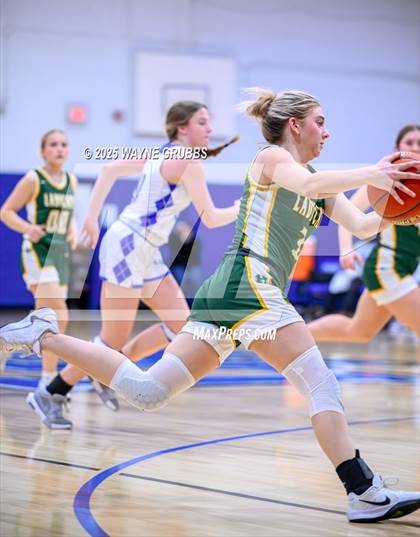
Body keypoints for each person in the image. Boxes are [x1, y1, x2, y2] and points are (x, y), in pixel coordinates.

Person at [1, 89, 419, 523]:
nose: (327, 132)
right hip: (250, 283)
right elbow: (309, 184)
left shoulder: (319, 183)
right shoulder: (271, 158)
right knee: (321, 384)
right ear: (295, 125)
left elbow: (362, 224)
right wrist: (373, 172)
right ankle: (364, 491)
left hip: (229, 292)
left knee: (148, 392)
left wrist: (404, 211)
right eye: (320, 122)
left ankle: (42, 335)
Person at [26, 101, 239, 428]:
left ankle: (107, 371)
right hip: (129, 245)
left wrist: (92, 217)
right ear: (182, 127)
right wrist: (242, 207)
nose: (210, 128)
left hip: (146, 249)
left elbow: (108, 170)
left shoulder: (161, 153)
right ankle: (51, 392)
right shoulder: (187, 161)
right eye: (202, 122)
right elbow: (210, 218)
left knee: (182, 326)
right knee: (111, 339)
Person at [308, 124, 420, 343]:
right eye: (409, 142)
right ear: (398, 147)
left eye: (419, 143)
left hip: (404, 267)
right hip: (388, 268)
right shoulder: (385, 177)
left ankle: (291, 336)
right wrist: (346, 250)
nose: (415, 147)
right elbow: (349, 213)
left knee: (358, 331)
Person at [0, 129, 77, 386]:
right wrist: (28, 228)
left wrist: (73, 229)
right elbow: (6, 211)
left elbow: (69, 214)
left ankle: (8, 344)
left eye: (64, 144)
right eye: (53, 144)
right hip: (37, 250)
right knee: (59, 314)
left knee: (46, 320)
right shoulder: (33, 179)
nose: (59, 149)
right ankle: (48, 379)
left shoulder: (71, 180)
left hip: (61, 252)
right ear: (42, 151)